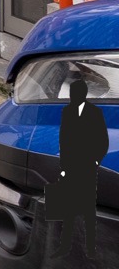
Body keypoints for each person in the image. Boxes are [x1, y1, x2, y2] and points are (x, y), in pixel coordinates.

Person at [50, 75, 107, 263]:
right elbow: (63, 140)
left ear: (83, 94)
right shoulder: (67, 112)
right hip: (70, 167)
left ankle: (90, 249)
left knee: (89, 209)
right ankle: (64, 246)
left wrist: (95, 161)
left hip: (88, 167)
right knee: (67, 208)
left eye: (76, 93)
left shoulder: (94, 113)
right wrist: (63, 167)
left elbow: (103, 140)